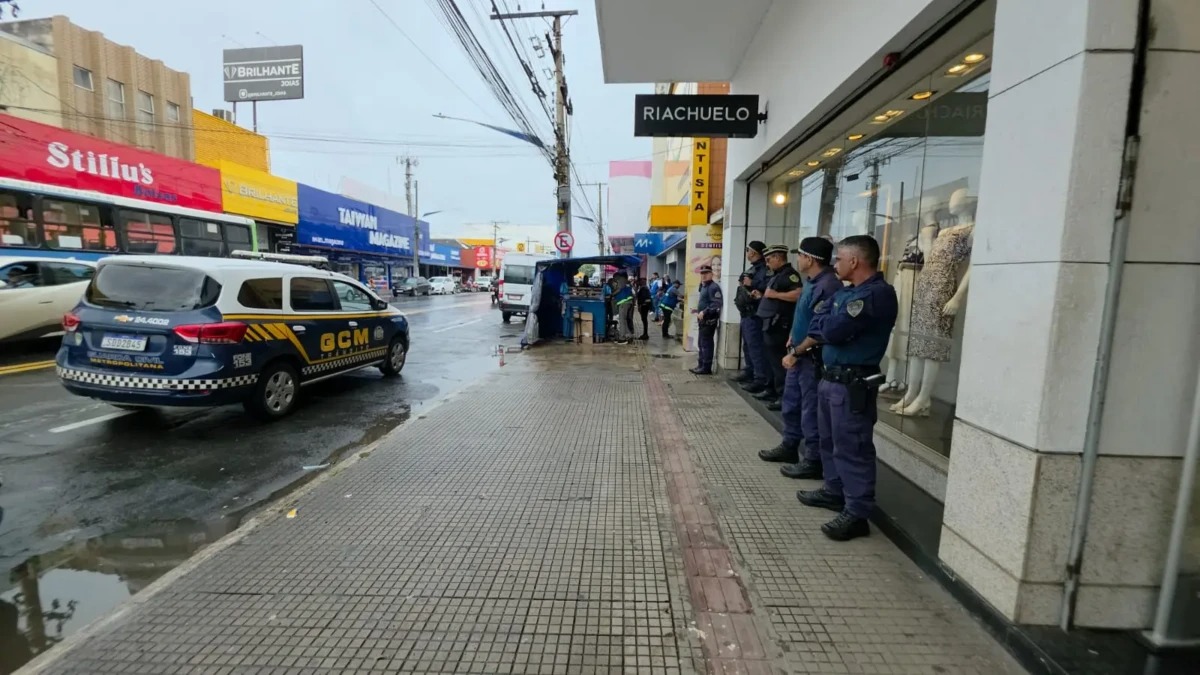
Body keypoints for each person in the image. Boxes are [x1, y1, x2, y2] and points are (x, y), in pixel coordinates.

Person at [793, 235, 898, 541]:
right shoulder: (848, 294)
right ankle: (834, 490)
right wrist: (826, 325)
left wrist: (827, 324)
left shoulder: (877, 294)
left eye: (838, 258)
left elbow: (835, 329)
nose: (835, 264)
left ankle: (857, 512)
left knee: (853, 447)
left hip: (852, 383)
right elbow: (818, 325)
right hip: (831, 378)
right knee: (830, 441)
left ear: (854, 261)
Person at [758, 238, 841, 477]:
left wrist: (797, 351)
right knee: (791, 402)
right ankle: (790, 444)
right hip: (797, 351)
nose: (798, 259)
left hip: (809, 357)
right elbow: (803, 316)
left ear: (810, 259)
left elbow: (820, 328)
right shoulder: (812, 282)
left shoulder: (828, 287)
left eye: (801, 255)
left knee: (810, 408)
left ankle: (813, 460)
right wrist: (792, 338)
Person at [753, 245, 803, 410]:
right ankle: (772, 389)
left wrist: (774, 295)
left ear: (778, 257)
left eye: (769, 260)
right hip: (770, 324)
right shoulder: (778, 275)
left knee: (779, 362)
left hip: (779, 325)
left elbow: (798, 294)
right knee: (770, 361)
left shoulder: (790, 275)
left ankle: (783, 396)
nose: (767, 264)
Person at [735, 241, 770, 389]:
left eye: (748, 250)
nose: (746, 253)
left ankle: (760, 378)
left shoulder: (764, 269)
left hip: (754, 314)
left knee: (755, 347)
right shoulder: (754, 268)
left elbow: (767, 287)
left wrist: (752, 283)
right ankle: (750, 372)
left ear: (754, 252)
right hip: (746, 313)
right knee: (747, 347)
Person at [690, 265, 722, 375]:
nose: (703, 275)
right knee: (701, 343)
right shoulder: (704, 286)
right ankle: (701, 364)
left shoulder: (713, 287)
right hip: (702, 321)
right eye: (702, 273)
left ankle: (706, 367)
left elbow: (716, 304)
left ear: (711, 274)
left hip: (709, 320)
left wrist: (704, 311)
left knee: (706, 344)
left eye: (706, 273)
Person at [611, 274, 635, 344]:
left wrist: (612, 294)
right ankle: (629, 336)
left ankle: (622, 338)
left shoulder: (620, 280)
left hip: (623, 302)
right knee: (624, 320)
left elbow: (618, 289)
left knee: (622, 320)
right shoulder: (627, 282)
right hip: (628, 302)